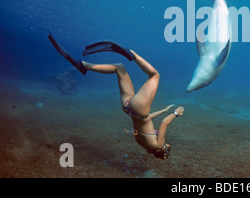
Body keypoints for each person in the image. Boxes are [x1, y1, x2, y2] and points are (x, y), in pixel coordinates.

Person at [48, 33, 184, 159]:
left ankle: (132, 54)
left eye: (166, 147)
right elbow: (146, 121)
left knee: (155, 75)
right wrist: (164, 110)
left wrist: (175, 113)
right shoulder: (143, 143)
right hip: (128, 108)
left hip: (138, 109)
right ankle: (84, 66)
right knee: (119, 68)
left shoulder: (158, 146)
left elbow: (164, 123)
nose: (165, 144)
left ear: (162, 151)